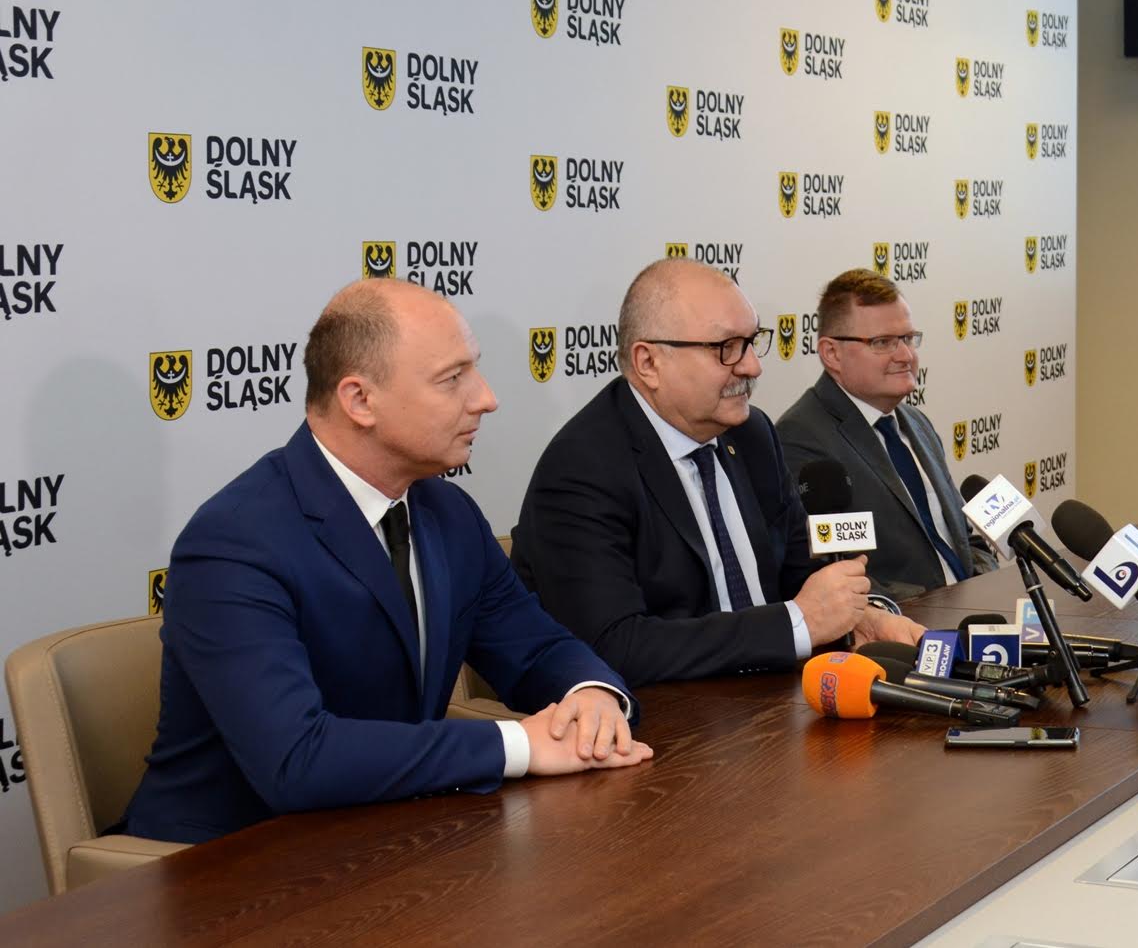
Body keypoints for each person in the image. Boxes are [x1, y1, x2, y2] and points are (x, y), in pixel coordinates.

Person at [124, 280, 649, 846]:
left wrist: (591, 696)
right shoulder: (234, 542)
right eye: (452, 379)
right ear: (360, 401)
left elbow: (537, 648)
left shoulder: (448, 513)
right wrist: (520, 745)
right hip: (228, 861)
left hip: (388, 833)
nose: (486, 398)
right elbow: (296, 759)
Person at [513, 258, 924, 686]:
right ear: (648, 362)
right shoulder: (583, 467)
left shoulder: (752, 434)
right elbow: (614, 645)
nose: (752, 366)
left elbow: (801, 575)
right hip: (671, 715)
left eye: (752, 342)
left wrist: (861, 616)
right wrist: (794, 625)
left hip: (775, 696)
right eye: (726, 347)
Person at [777, 269, 994, 600]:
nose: (905, 355)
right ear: (831, 353)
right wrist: (930, 609)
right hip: (901, 623)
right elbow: (829, 571)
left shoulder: (916, 422)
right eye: (883, 343)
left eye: (908, 338)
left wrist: (985, 589)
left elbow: (965, 537)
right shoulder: (800, 438)